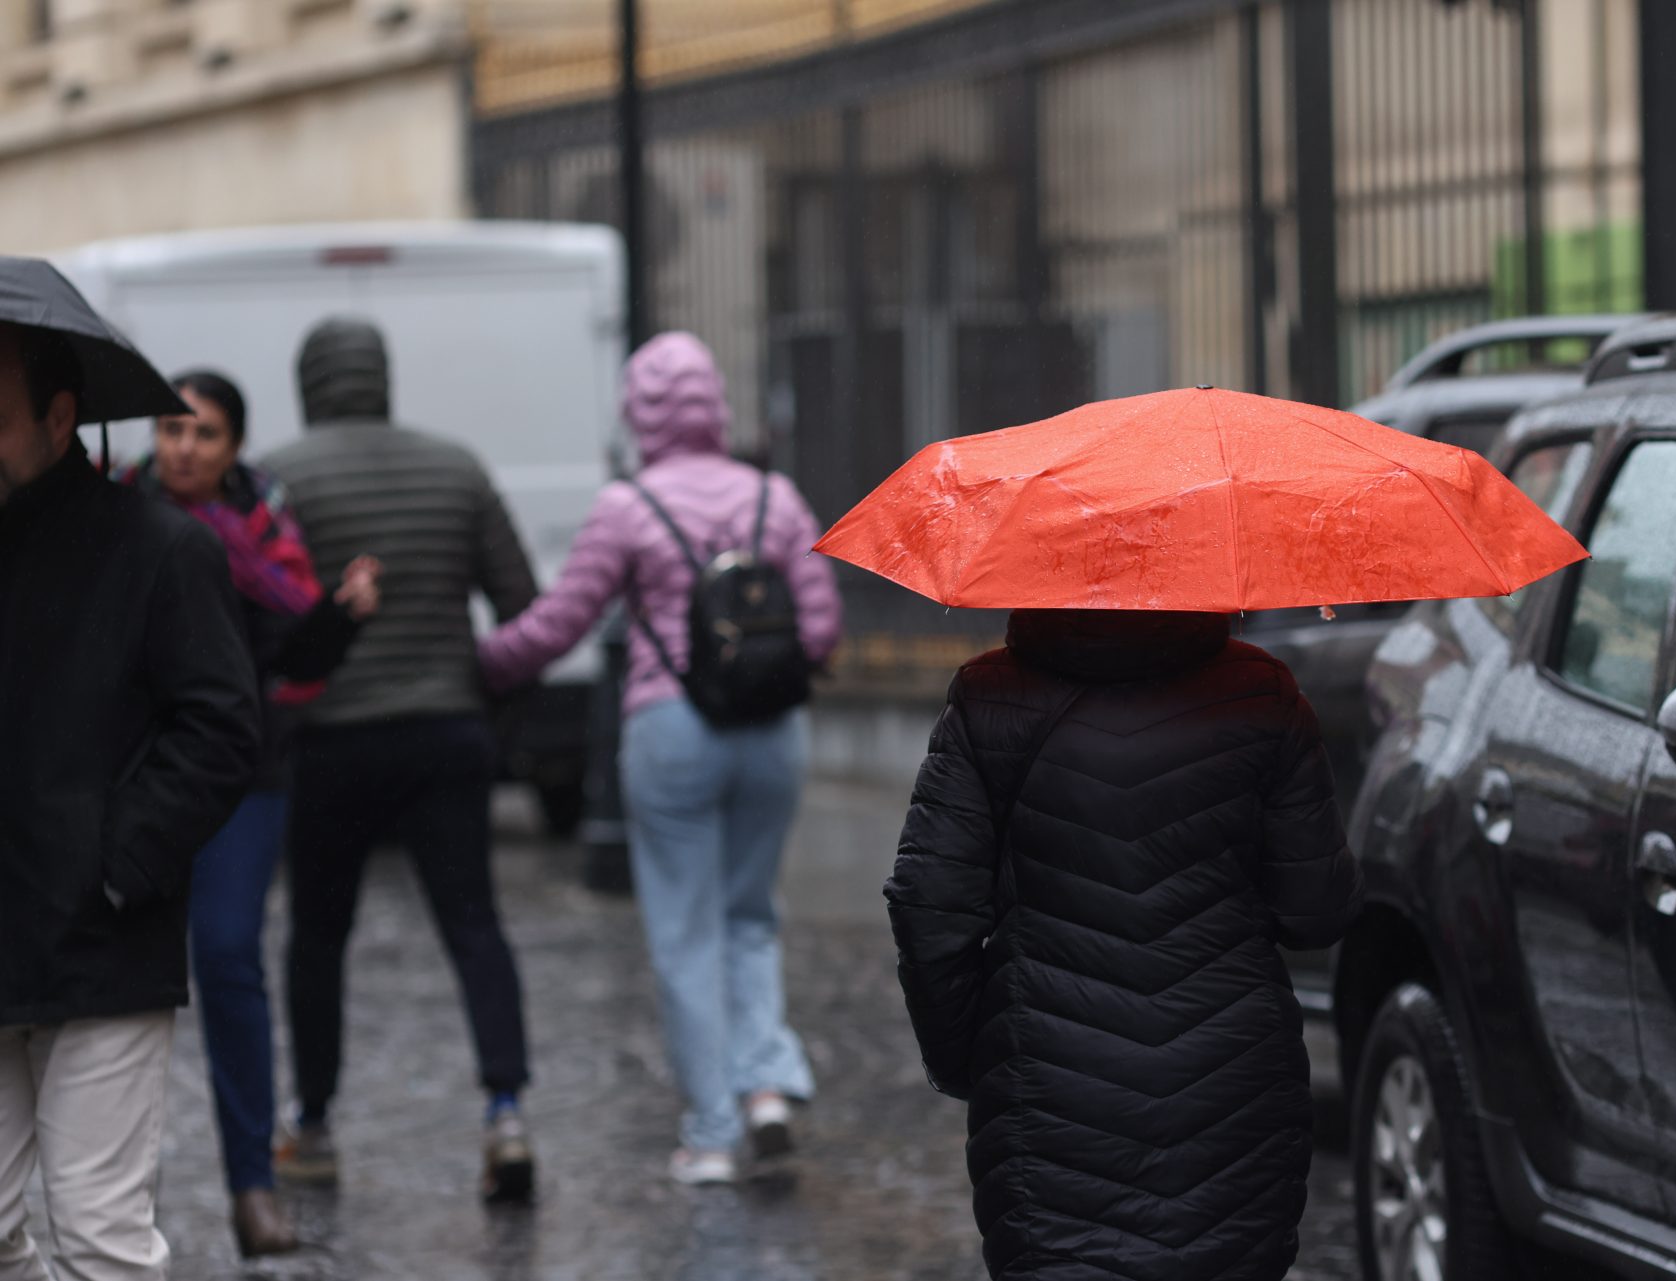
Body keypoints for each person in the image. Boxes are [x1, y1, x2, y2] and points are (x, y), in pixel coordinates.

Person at [886, 609, 1365, 1281]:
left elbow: (929, 906)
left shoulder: (990, 694)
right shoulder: (1264, 692)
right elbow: (1317, 911)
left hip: (1050, 1103)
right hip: (1230, 1100)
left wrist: (968, 1058)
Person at [478, 331, 842, 1185]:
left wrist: (487, 661)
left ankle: (711, 1133)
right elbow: (821, 631)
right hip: (773, 733)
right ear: (716, 403)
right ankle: (766, 1092)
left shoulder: (628, 507)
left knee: (684, 933)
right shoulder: (776, 498)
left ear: (638, 413)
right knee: (752, 915)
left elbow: (560, 622)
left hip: (671, 729)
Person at [261, 317, 540, 1204]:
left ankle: (313, 1124)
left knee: (318, 936)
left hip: (333, 741)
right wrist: (482, 702)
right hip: (446, 732)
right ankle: (505, 1114)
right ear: (382, 377)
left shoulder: (281, 477)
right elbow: (521, 605)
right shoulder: (457, 467)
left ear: (311, 382)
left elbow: (273, 618)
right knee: (473, 925)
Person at [0, 318, 258, 1278]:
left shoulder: (159, 549)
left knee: (100, 1236)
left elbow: (223, 726)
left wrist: (119, 863)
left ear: (60, 417)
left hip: (103, 940)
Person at [115, 370, 381, 1257]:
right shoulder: (111, 520)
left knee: (228, 957)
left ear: (234, 449)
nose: (184, 447)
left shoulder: (263, 532)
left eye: (206, 433)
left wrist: (343, 617)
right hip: (131, 780)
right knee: (116, 980)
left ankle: (252, 1185)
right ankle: (113, 1198)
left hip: (241, 775)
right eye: (170, 428)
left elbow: (291, 650)